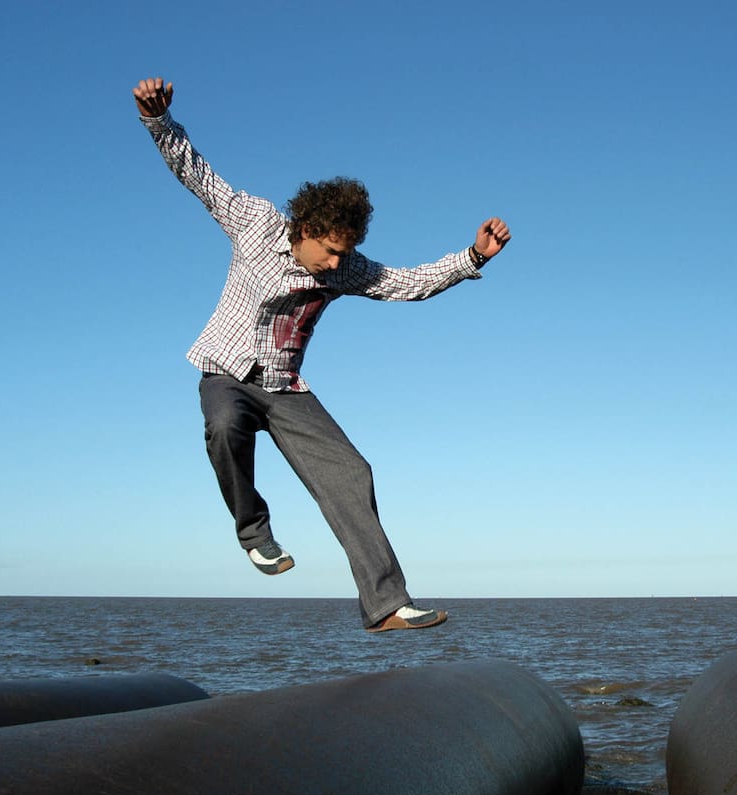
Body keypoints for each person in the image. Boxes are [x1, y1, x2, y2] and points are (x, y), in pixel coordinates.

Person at [133, 77, 510, 632]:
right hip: (227, 373)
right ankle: (254, 532)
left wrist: (472, 257)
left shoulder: (348, 269)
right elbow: (199, 177)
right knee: (224, 423)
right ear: (305, 229)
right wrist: (159, 122)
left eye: (345, 254)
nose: (336, 265)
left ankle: (385, 606)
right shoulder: (256, 223)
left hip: (285, 388)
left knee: (353, 472)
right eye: (331, 252)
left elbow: (407, 281)